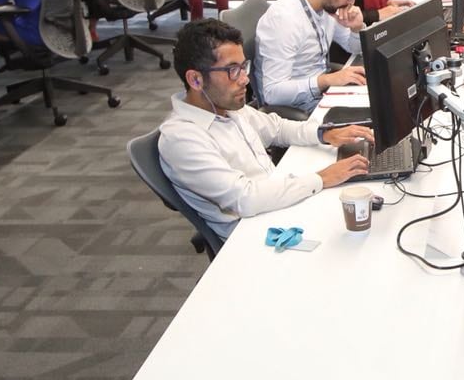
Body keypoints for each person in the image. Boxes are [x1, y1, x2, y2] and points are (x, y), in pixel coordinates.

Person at [158, 19, 374, 240]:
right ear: (195, 79)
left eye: (244, 67)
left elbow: (277, 128)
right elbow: (246, 198)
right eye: (233, 70)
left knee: (371, 206)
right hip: (257, 234)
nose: (245, 80)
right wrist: (322, 178)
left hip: (275, 203)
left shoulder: (225, 106)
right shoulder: (181, 139)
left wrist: (325, 134)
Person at [254, 0, 368, 115]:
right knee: (376, 117)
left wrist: (356, 28)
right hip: (299, 109)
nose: (352, 1)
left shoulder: (326, 6)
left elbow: (353, 48)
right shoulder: (284, 20)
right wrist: (325, 80)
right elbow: (272, 93)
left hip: (323, 94)